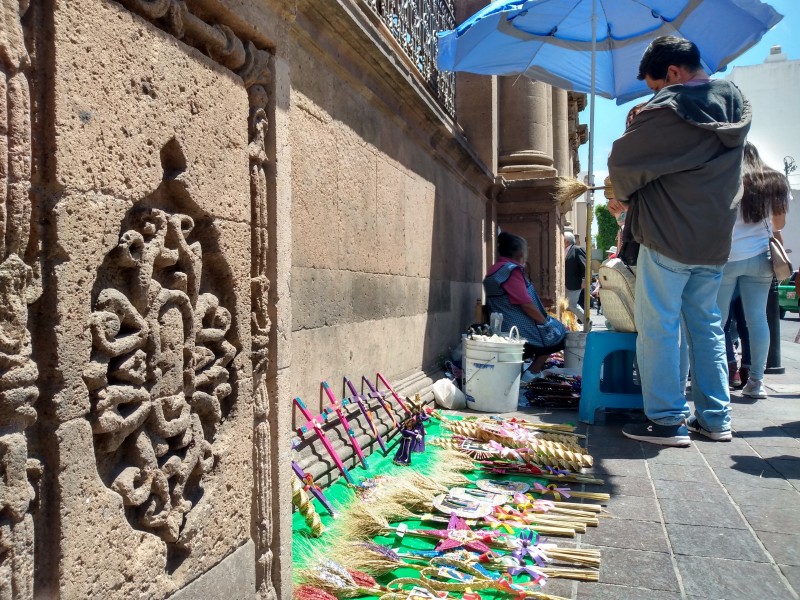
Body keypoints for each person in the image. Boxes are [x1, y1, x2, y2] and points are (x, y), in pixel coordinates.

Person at [608, 36, 751, 446]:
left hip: (669, 233)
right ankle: (715, 418)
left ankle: (668, 420)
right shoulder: (733, 104)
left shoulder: (670, 110)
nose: (656, 94)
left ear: (672, 73)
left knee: (660, 327)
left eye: (656, 86)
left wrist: (642, 121)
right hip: (714, 236)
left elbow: (623, 162)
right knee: (706, 326)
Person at [715, 142, 789, 402]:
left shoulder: (725, 180)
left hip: (727, 257)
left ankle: (718, 379)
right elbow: (779, 223)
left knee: (718, 321)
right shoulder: (775, 181)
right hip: (760, 258)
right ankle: (756, 381)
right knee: (758, 320)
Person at [484, 232, 566, 378]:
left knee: (554, 330)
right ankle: (531, 373)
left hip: (506, 322)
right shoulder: (511, 270)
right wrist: (545, 322)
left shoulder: (496, 269)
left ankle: (529, 371)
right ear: (521, 252)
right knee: (560, 334)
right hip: (515, 328)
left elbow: (510, 296)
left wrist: (539, 301)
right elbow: (525, 304)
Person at [563, 232, 587, 323]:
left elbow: (585, 266)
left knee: (571, 305)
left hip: (574, 283)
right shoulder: (562, 251)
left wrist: (584, 280)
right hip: (565, 283)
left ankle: (587, 321)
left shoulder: (577, 250)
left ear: (567, 241)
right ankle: (571, 325)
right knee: (566, 306)